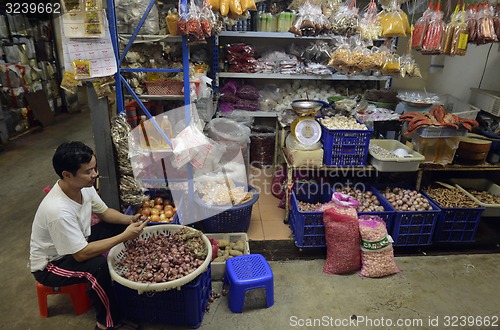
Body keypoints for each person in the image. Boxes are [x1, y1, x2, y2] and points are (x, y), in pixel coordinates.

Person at [29, 141, 147, 330]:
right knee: (97, 268)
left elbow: (105, 213)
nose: (95, 175)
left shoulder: (84, 186)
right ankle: (106, 323)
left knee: (116, 227)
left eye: (95, 168)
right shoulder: (58, 210)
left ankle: (126, 284)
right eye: (88, 171)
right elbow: (81, 255)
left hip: (77, 242)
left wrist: (130, 220)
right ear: (67, 175)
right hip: (53, 264)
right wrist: (125, 236)